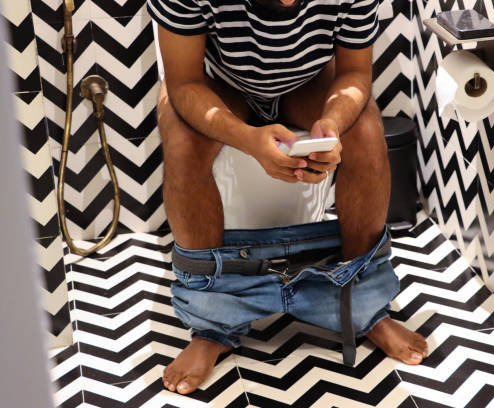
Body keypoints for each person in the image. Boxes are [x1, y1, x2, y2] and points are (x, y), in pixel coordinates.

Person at [147, 0, 428, 395]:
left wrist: (331, 125)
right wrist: (246, 139)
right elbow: (183, 82)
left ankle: (363, 305)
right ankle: (211, 324)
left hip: (309, 85)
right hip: (219, 87)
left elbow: (353, 72)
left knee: (364, 130)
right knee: (181, 138)